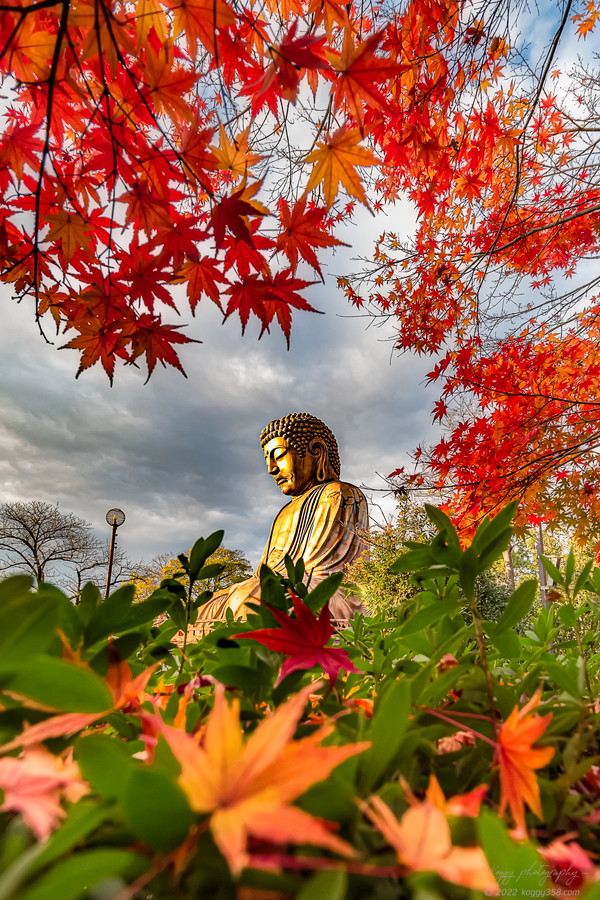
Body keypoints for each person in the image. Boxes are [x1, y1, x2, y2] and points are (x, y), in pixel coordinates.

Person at [192, 412, 368, 632]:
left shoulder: (340, 493)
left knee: (255, 597)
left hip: (326, 590)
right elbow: (263, 573)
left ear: (316, 450)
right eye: (267, 460)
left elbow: (323, 569)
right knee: (196, 608)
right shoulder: (285, 512)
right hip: (279, 585)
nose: (271, 468)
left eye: (279, 455)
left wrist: (257, 587)